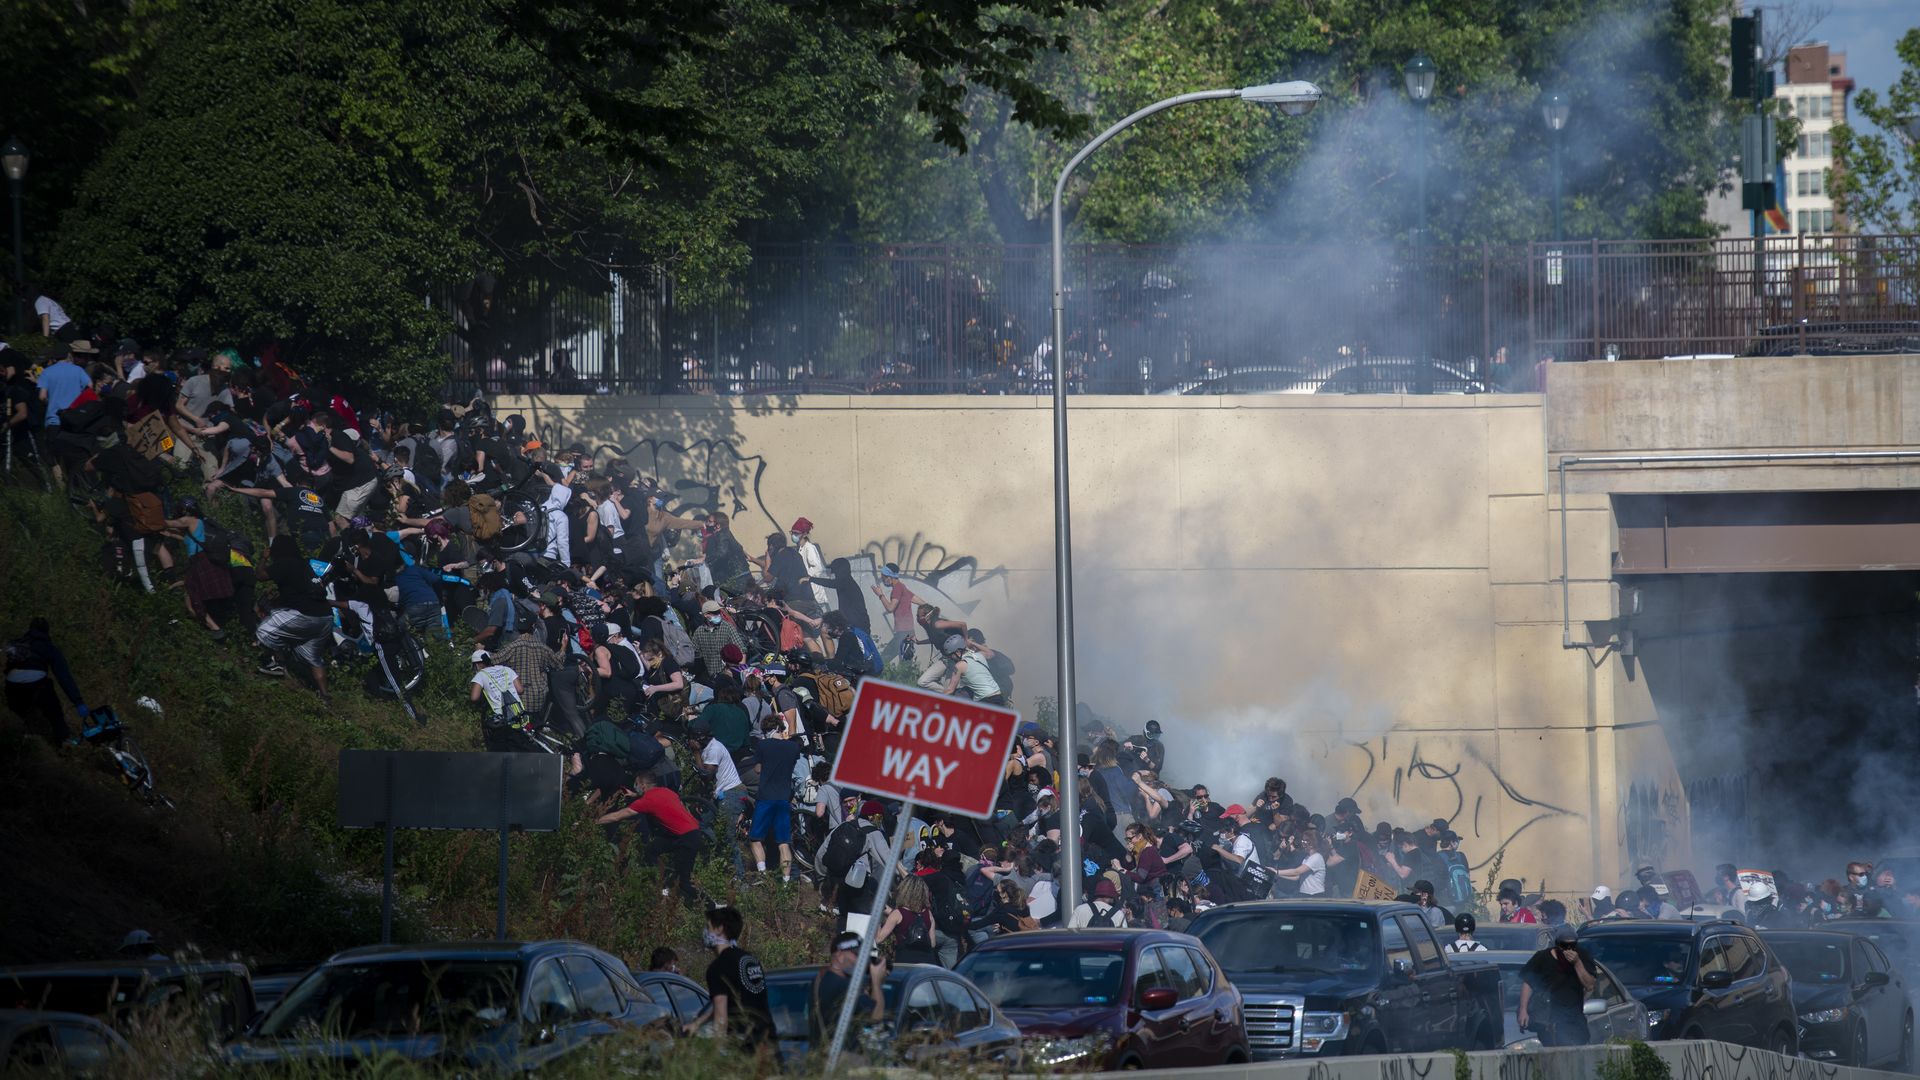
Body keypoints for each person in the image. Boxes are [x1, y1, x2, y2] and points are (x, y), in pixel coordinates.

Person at [594, 770, 704, 903]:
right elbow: (657, 800)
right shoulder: (667, 791)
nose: (635, 786)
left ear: (643, 785)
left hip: (686, 838)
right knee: (651, 850)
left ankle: (712, 905)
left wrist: (595, 821)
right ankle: (662, 885)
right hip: (688, 832)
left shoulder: (647, 801)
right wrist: (635, 795)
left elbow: (618, 816)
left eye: (636, 783)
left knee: (684, 882)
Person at [685, 906, 774, 1046]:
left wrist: (717, 1052)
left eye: (708, 927)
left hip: (743, 1046)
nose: (705, 932)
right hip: (767, 1041)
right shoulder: (750, 959)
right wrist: (697, 1023)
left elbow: (721, 1016)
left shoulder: (718, 967)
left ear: (719, 929)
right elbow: (733, 1003)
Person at [4, 617, 89, 745]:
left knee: (19, 715)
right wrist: (78, 701)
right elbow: (63, 676)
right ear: (46, 632)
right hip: (36, 685)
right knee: (55, 713)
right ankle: (64, 742)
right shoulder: (49, 648)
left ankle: (19, 740)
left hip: (11, 686)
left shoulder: (18, 644)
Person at [1518, 926, 1596, 1047]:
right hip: (1547, 1019)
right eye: (1565, 945)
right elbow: (1528, 983)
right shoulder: (1542, 957)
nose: (1569, 949)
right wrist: (1523, 1010)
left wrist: (1577, 963)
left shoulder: (1583, 956)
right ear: (1557, 944)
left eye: (1572, 945)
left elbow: (1589, 985)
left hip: (1572, 1018)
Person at [808, 932, 889, 1047]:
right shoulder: (843, 986)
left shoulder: (820, 981)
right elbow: (876, 1017)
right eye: (857, 954)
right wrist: (876, 981)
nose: (862, 960)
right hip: (843, 1058)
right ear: (839, 955)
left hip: (822, 1053)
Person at [750, 715, 804, 882]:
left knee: (755, 838)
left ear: (766, 730)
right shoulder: (793, 747)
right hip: (783, 798)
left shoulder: (762, 745)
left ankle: (763, 874)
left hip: (765, 796)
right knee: (783, 842)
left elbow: (758, 769)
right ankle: (786, 881)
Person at [876, 875, 941, 966]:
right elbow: (933, 944)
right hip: (927, 962)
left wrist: (877, 918)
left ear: (904, 891)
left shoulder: (897, 913)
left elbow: (878, 939)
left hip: (905, 962)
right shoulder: (928, 913)